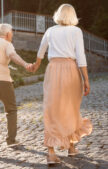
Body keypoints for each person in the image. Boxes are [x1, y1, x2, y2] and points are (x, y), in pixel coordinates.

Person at [32, 4, 93, 164]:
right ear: (73, 15)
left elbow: (40, 51)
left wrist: (35, 65)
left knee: (52, 109)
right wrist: (86, 79)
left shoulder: (50, 31)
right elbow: (80, 56)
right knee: (71, 108)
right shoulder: (76, 31)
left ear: (57, 14)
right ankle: (71, 148)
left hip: (53, 70)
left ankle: (52, 152)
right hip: (71, 70)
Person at [0, 23, 33, 155]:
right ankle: (11, 140)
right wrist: (26, 65)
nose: (12, 35)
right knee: (11, 110)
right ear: (8, 34)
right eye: (12, 33)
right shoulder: (7, 44)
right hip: (3, 82)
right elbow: (13, 56)